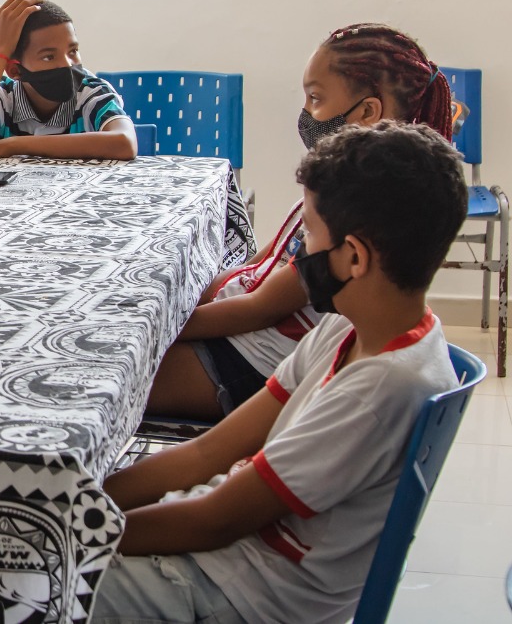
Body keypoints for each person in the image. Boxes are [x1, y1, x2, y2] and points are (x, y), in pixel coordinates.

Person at [94, 121, 468, 624]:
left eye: (308, 234)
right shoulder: (344, 331)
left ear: (354, 256)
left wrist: (75, 532)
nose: (298, 252)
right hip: (226, 562)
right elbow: (208, 452)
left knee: (5, 582)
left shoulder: (381, 388)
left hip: (241, 596)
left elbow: (215, 522)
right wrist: (82, 503)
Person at [147, 23, 454, 422]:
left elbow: (259, 309)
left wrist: (150, 329)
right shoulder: (337, 184)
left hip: (248, 367)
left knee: (99, 380)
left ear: (367, 112)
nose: (307, 112)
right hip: (239, 339)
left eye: (316, 98)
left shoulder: (357, 215)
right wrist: (186, 302)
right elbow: (262, 263)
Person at [0, 0, 137, 161]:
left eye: (73, 51)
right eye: (48, 56)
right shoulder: (5, 96)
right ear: (15, 71)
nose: (67, 64)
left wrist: (11, 145)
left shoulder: (90, 91)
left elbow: (125, 143)